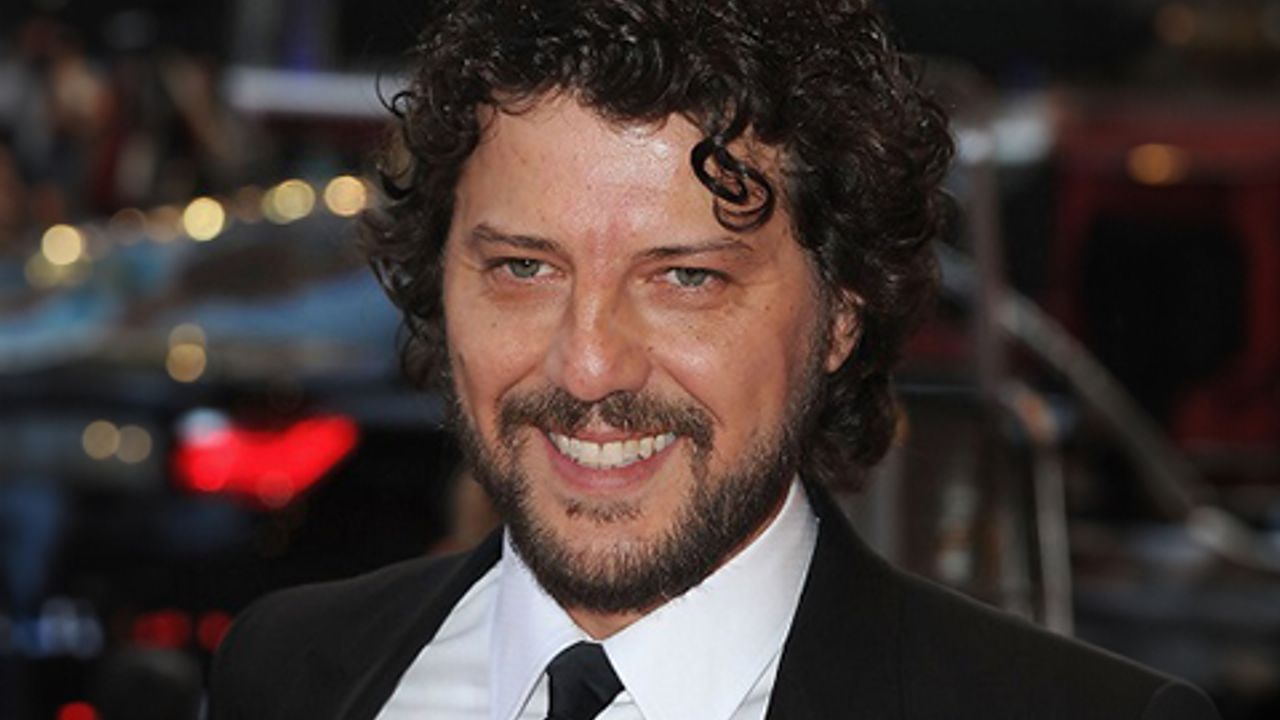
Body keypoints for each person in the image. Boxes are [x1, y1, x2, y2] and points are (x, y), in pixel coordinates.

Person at [209, 1, 1220, 718]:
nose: (589, 365)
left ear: (841, 315)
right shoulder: (290, 671)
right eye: (523, 268)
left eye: (685, 278)